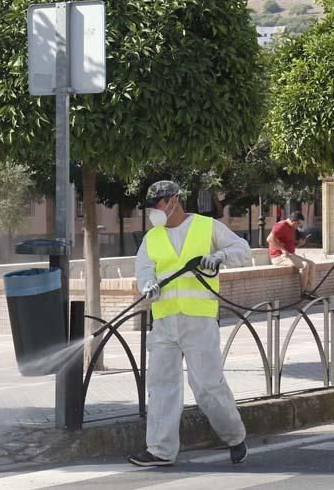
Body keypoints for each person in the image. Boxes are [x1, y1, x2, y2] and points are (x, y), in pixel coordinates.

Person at [127, 180, 251, 467]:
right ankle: (160, 450)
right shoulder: (152, 238)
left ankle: (235, 437)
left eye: (157, 204)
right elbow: (143, 270)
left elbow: (242, 250)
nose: (153, 212)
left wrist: (219, 256)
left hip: (199, 320)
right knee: (161, 386)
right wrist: (148, 286)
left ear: (173, 200)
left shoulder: (207, 227)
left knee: (207, 385)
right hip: (164, 322)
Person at [267, 211, 316, 299]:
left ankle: (310, 290)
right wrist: (282, 250)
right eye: (298, 224)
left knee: (312, 264)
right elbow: (269, 239)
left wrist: (298, 244)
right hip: (278, 256)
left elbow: (288, 244)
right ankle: (303, 293)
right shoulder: (281, 225)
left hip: (290, 255)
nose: (298, 226)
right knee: (304, 266)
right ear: (293, 221)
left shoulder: (292, 228)